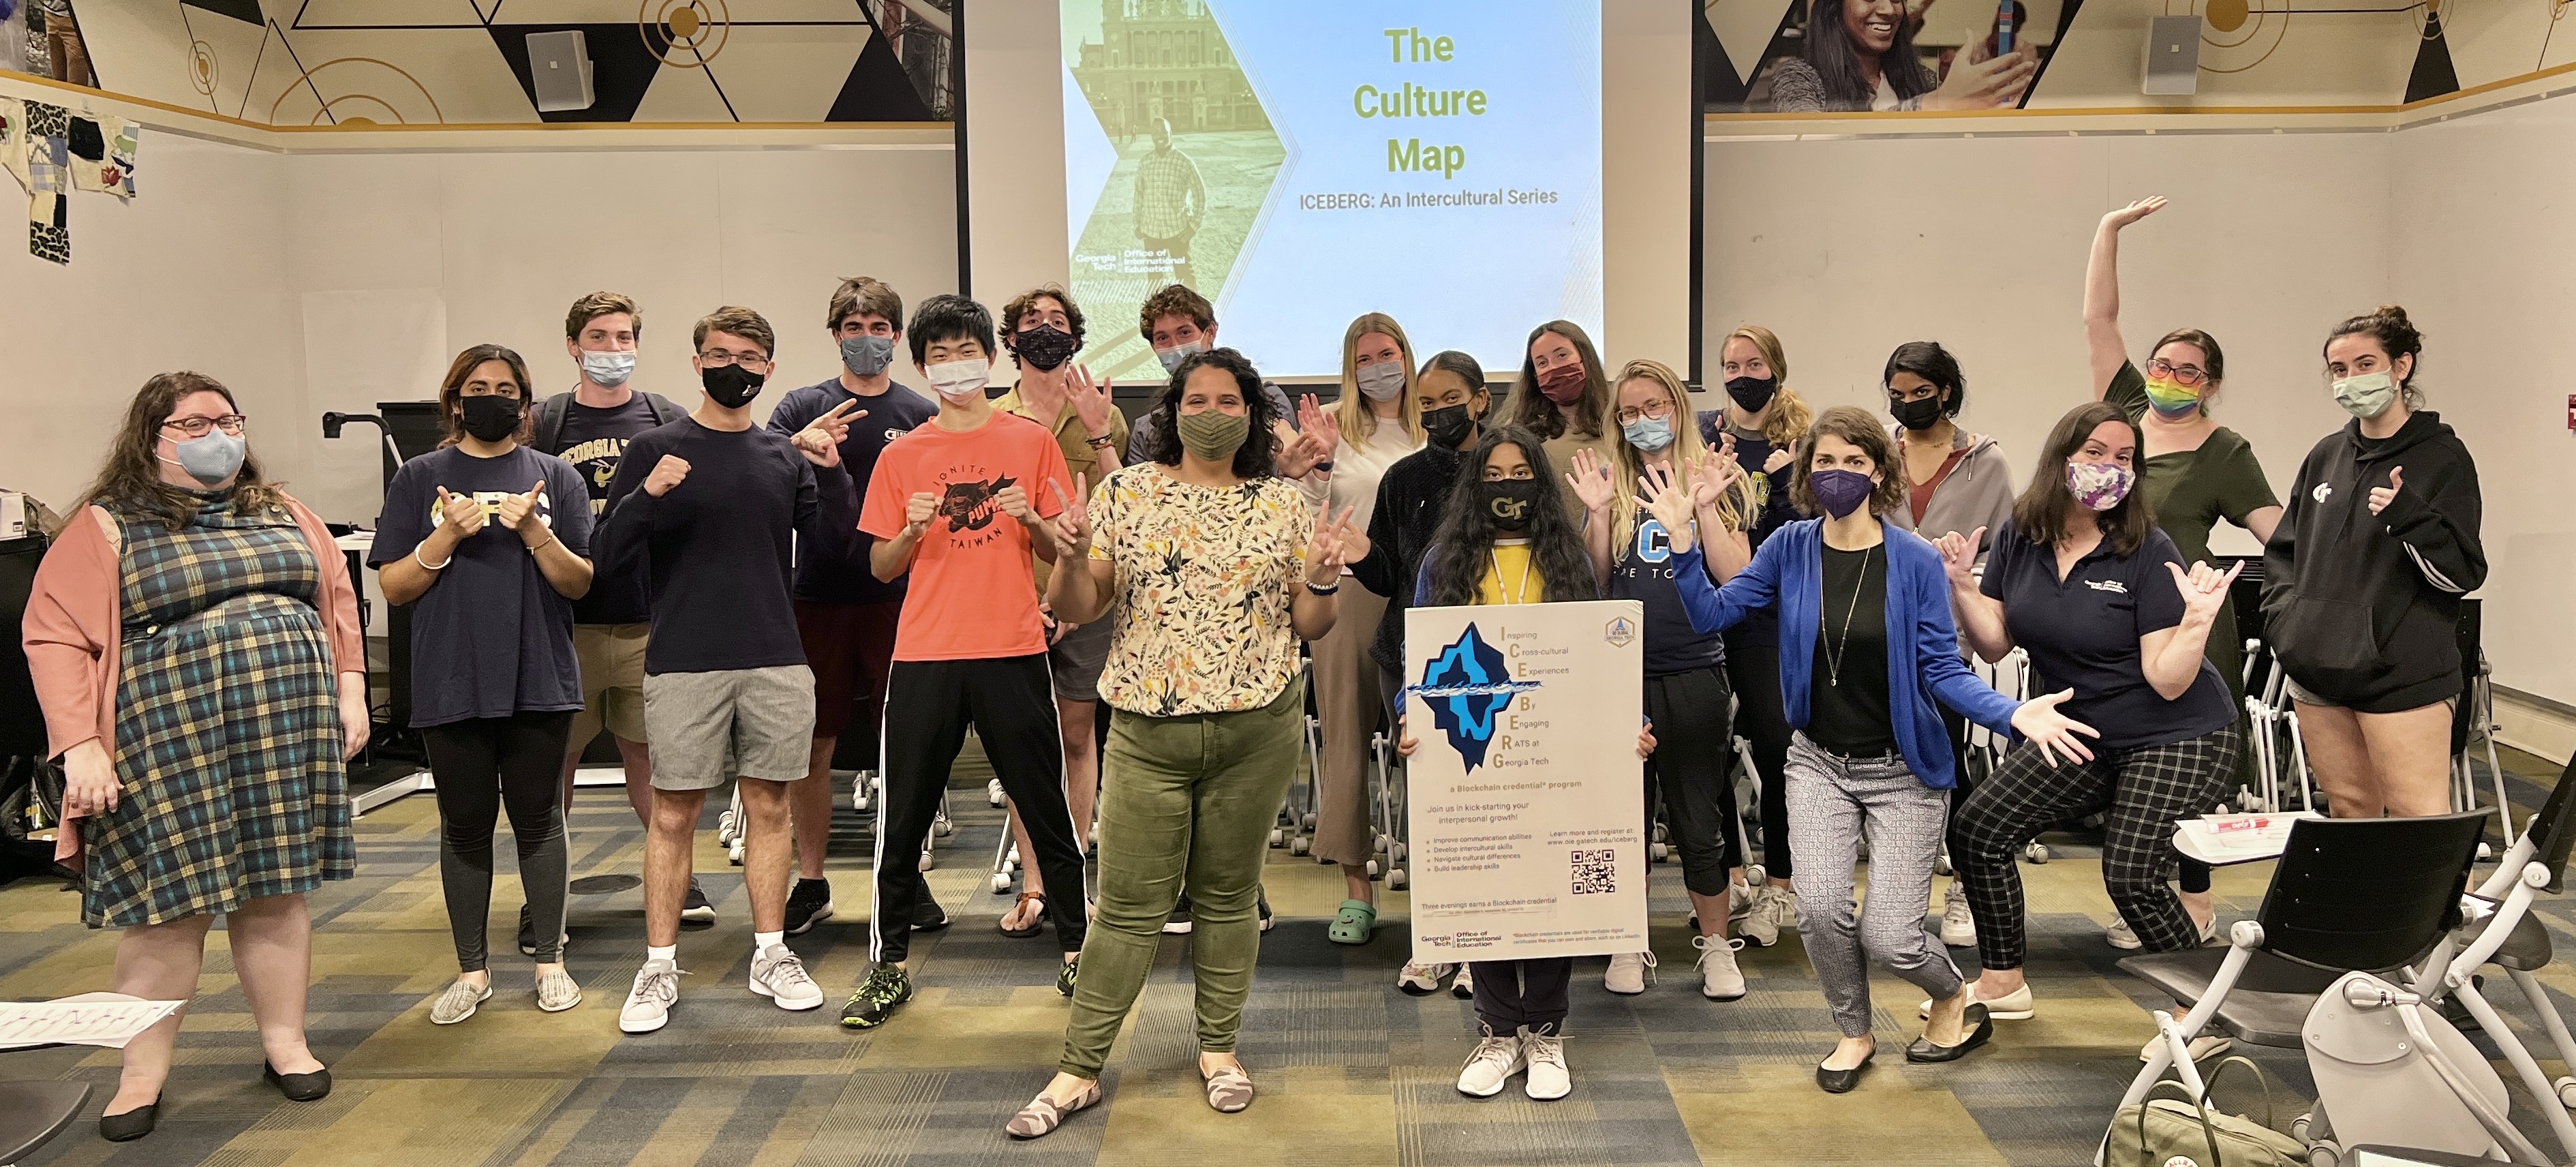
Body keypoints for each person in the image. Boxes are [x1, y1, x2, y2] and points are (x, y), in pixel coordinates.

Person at [1005, 348, 1362, 1138]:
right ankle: (1080, 1066)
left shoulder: (1283, 503)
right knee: (1129, 907)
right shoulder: (1126, 491)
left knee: (1229, 898)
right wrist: (1063, 555)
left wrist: (1326, 578)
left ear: (1250, 416)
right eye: (1196, 398)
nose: (1212, 411)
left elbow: (1309, 624)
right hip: (1145, 730)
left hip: (1256, 724)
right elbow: (1084, 604)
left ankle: (1220, 1049)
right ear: (1172, 410)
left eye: (1229, 400)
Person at [1690, 406, 2100, 1093]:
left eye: (1855, 461)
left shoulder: (1911, 557)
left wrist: (2011, 714)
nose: (1839, 474)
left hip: (1904, 768)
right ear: (1806, 471)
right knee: (1820, 909)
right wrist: (1684, 536)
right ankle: (1854, 1029)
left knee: (1893, 937)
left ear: (1879, 470)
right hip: (1817, 759)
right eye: (1825, 461)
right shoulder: (1789, 547)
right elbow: (1711, 614)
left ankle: (1951, 994)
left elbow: (1942, 668)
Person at [27, 372, 368, 1142]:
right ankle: (140, 1072)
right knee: (166, 911)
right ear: (151, 438)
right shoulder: (107, 523)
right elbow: (54, 636)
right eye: (193, 423)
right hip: (166, 738)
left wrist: (351, 689)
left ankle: (286, 1042)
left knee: (276, 893)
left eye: (228, 418)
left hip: (283, 734)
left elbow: (337, 598)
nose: (218, 434)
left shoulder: (284, 510)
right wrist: (80, 743)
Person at [1937, 401, 2244, 1052]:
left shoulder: (2144, 548)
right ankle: (2002, 981)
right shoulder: (2023, 531)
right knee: (1978, 828)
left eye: (2125, 458)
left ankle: (2207, 1012)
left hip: (2180, 733)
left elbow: (2167, 679)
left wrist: (2197, 623)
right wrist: (1963, 585)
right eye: (2097, 453)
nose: (2111, 468)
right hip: (2084, 730)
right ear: (2063, 459)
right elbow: (1994, 645)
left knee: (2131, 873)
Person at [594, 306, 861, 1034]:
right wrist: (647, 496)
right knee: (676, 811)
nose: (732, 365)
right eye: (717, 353)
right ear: (696, 362)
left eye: (747, 355)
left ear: (770, 369)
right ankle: (658, 963)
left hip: (776, 655)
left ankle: (771, 951)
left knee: (771, 805)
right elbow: (604, 556)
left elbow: (838, 551)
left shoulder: (782, 454)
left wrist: (832, 472)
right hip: (684, 659)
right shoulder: (655, 448)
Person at [840, 294, 1091, 1029]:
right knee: (904, 817)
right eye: (941, 354)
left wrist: (1033, 519)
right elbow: (882, 566)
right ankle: (886, 967)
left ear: (991, 354)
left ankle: (1079, 954)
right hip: (925, 653)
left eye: (967, 349)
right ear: (923, 366)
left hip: (1013, 646)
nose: (956, 363)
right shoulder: (901, 453)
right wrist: (913, 529)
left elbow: (1054, 549)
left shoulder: (1031, 441)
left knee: (1049, 812)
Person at [1396, 425, 1647, 1103]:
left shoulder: (1565, 557)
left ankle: (1546, 1031)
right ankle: (1498, 1031)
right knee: (1486, 885)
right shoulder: (1444, 559)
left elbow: (1602, 659)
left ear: (1540, 480)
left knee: (1550, 889)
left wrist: (1635, 723)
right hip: (1471, 747)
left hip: (1556, 750)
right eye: (1494, 475)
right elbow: (1418, 656)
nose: (1508, 485)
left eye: (1520, 473)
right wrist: (1408, 714)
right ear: (1475, 485)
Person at [371, 345, 595, 1025]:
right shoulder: (420, 477)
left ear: (525, 404)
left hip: (539, 674)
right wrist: (442, 540)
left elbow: (580, 581)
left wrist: (534, 532)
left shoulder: (556, 476)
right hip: (452, 676)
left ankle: (550, 962)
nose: (492, 396)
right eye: (478, 386)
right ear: (455, 401)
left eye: (506, 387)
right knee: (464, 826)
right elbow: (394, 585)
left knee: (539, 820)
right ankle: (472, 971)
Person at [2084, 195, 2282, 946]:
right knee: (2131, 760)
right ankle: (2142, 888)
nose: (2170, 375)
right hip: (2112, 615)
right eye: (2164, 363)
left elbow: (2277, 530)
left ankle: (2194, 901)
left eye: (2189, 371)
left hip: (2191, 624)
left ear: (2210, 384)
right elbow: (2100, 322)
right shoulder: (2123, 415)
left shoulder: (2223, 450)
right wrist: (2108, 233)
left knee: (2189, 763)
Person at [1568, 358, 1761, 1001]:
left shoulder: (1713, 479)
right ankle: (1629, 940)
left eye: (1653, 407)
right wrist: (1597, 516)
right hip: (1620, 677)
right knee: (1623, 817)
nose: (1641, 421)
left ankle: (1714, 946)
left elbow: (1736, 576)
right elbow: (1595, 585)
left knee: (1697, 814)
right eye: (1628, 412)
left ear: (1677, 409)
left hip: (1694, 672)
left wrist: (1701, 510)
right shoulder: (1608, 486)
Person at [764, 277, 940, 937]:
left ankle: (905, 874)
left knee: (906, 744)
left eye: (877, 326)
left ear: (895, 335)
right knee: (814, 743)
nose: (865, 338)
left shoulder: (921, 410)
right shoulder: (803, 404)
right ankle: (811, 881)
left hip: (900, 598)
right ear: (834, 333)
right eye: (852, 326)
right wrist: (797, 446)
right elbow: (760, 473)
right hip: (817, 596)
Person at [2263, 305, 2484, 818]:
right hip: (2316, 672)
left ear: (2401, 367)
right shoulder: (2325, 455)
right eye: (2339, 370)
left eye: (2365, 365)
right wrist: (2287, 625)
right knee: (2349, 809)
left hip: (2402, 674)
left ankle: (2450, 904)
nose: (2350, 380)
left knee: (2419, 818)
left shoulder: (2443, 458)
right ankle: (2362, 906)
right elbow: (2285, 551)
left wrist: (2409, 517)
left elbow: (2460, 574)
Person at [530, 292, 705, 933]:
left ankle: (678, 885)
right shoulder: (545, 422)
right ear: (573, 346)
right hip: (562, 625)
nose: (612, 349)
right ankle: (544, 897)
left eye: (624, 336)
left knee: (650, 763)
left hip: (644, 618)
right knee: (555, 772)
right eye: (598, 338)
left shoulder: (666, 417)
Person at [1351, 350, 1494, 997]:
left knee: (1491, 806)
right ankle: (1435, 938)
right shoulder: (1403, 478)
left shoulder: (1510, 469)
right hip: (1411, 658)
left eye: (1451, 399)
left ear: (1481, 399)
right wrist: (1359, 556)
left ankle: (1484, 946)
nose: (1439, 412)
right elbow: (1388, 576)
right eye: (1428, 403)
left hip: (1496, 658)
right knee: (1431, 802)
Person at [992, 283, 1129, 938]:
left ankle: (1071, 873)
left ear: (1074, 336)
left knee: (1077, 736)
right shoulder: (992, 417)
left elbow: (1120, 507)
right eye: (1030, 321)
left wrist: (1075, 597)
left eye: (1057, 320)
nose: (1044, 329)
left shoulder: (1101, 411)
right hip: (1010, 601)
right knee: (1025, 744)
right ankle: (1036, 881)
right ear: (1010, 339)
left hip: (1086, 601)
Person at [1879, 339, 2017, 948]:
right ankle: (1890, 896)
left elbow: (2001, 553)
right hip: (1871, 632)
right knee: (1876, 767)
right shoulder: (1877, 452)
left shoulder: (1986, 462)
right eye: (1898, 396)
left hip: (1943, 636)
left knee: (1946, 764)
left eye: (1921, 395)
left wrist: (1961, 573)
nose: (1909, 405)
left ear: (1948, 393)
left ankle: (1964, 884)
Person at [1695, 325, 1813, 945]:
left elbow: (1822, 526)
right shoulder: (1703, 433)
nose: (1741, 373)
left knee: (1776, 744)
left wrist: (1793, 479)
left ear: (1776, 368)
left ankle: (1782, 888)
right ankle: (1731, 878)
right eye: (1729, 363)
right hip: (1709, 611)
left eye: (1753, 363)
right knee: (1704, 745)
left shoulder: (1803, 439)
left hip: (1772, 616)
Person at [1312, 313, 1424, 945]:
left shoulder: (1434, 424)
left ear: (1406, 356)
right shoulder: (1332, 429)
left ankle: (1446, 883)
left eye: (1387, 353)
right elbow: (1311, 514)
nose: (1378, 367)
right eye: (1364, 359)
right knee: (1349, 736)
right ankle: (1357, 890)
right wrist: (1316, 469)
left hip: (1425, 593)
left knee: (1430, 738)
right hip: (1351, 592)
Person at [1128, 284, 1333, 489]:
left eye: (1184, 333)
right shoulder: (1147, 428)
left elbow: (1279, 427)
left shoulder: (1262, 395)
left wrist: (1287, 447)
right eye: (1163, 338)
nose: (1176, 345)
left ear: (1210, 332)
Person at [1766, 0, 2036, 112]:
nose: (1888, 9)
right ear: (1836, 8)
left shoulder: (1922, 79)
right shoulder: (1798, 78)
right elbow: (1818, 147)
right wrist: (1937, 103)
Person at [1505, 321, 1617, 519]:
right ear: (1534, 376)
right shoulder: (1520, 435)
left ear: (1586, 357)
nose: (1553, 368)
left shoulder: (1621, 423)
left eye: (1562, 356)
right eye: (1542, 363)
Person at [1131, 119, 1205, 286]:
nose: (1160, 136)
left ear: (1171, 133)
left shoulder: (1184, 162)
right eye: (1155, 132)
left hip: (1177, 230)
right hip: (1151, 231)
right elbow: (1139, 193)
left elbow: (1200, 192)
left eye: (1163, 131)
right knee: (1155, 278)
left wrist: (1194, 225)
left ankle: (1193, 312)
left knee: (1185, 274)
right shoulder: (1146, 162)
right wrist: (1137, 223)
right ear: (1152, 136)